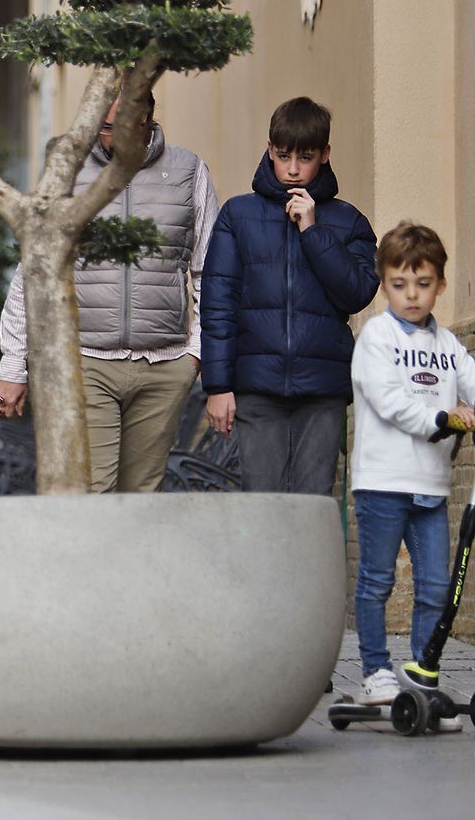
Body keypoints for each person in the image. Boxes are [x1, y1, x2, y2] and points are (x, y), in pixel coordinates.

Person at [0, 94, 218, 492]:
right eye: (108, 127)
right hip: (87, 362)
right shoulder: (70, 173)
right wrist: (13, 366)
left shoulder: (187, 171)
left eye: (132, 125)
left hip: (165, 366)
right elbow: (35, 269)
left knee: (142, 498)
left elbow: (209, 270)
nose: (117, 139)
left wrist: (195, 354)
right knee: (95, 494)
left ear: (150, 118)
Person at [200, 96, 379, 492]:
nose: (294, 169)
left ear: (326, 155)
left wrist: (313, 231)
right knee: (264, 510)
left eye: (306, 157)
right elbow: (217, 304)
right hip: (255, 388)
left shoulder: (348, 221)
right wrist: (217, 386)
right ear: (269, 151)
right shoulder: (237, 215)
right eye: (284, 156)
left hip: (322, 391)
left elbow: (357, 294)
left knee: (313, 508)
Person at [346, 222, 473, 728]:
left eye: (422, 284)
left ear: (440, 284)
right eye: (400, 285)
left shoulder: (447, 345)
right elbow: (391, 401)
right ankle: (376, 672)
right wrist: (441, 419)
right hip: (382, 481)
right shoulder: (376, 336)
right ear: (385, 284)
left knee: (436, 587)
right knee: (377, 580)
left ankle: (423, 676)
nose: (411, 295)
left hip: (431, 485)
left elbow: (470, 378)